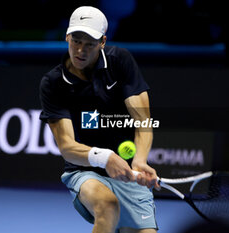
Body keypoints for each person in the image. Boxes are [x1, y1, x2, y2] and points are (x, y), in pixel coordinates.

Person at [39, 6, 159, 233]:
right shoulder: (53, 83)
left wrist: (140, 161)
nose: (80, 50)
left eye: (90, 43)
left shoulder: (121, 61)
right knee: (107, 205)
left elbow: (143, 121)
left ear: (103, 42)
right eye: (76, 41)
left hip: (129, 174)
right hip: (85, 171)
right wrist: (105, 158)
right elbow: (67, 147)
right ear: (67, 36)